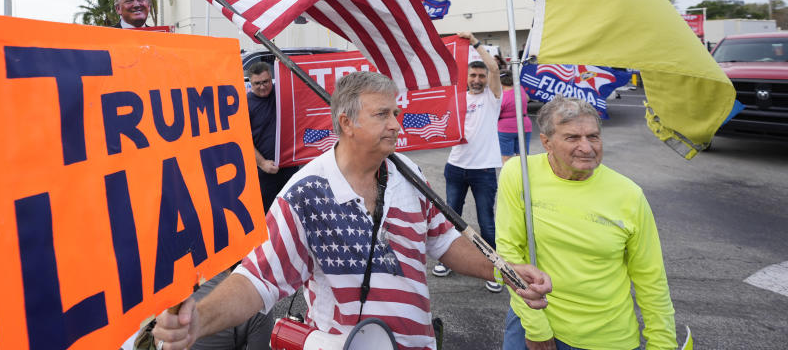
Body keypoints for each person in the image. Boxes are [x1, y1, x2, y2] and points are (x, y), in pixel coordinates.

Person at [152, 71, 552, 350]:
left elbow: (444, 241)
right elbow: (259, 279)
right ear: (346, 123)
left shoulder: (408, 173)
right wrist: (198, 322)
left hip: (418, 342)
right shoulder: (305, 194)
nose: (397, 124)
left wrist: (507, 272)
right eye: (382, 114)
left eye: (396, 113)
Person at [497, 96, 677, 350]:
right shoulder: (519, 174)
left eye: (593, 136)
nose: (587, 147)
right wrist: (536, 327)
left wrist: (663, 343)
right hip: (532, 322)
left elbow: (651, 278)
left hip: (608, 337)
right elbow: (508, 254)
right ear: (546, 142)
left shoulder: (629, 194)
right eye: (572, 138)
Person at [432, 31, 503, 292]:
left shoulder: (491, 98)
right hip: (456, 167)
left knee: (486, 221)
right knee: (452, 217)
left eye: (481, 76)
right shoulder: (457, 97)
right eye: (472, 75)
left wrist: (475, 43)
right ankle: (450, 260)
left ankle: (493, 267)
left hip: (483, 170)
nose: (477, 79)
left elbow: (494, 67)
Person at [246, 61, 297, 213]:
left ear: (271, 78)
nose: (262, 86)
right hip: (265, 171)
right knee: (269, 214)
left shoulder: (283, 93)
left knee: (292, 210)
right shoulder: (245, 105)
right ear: (250, 83)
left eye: (266, 81)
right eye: (257, 83)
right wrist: (262, 163)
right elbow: (243, 140)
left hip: (289, 166)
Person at [497, 70, 532, 164]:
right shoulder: (520, 89)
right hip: (525, 125)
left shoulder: (501, 96)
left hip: (506, 129)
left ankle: (510, 177)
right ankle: (523, 177)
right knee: (523, 156)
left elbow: (496, 114)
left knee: (507, 159)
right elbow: (527, 99)